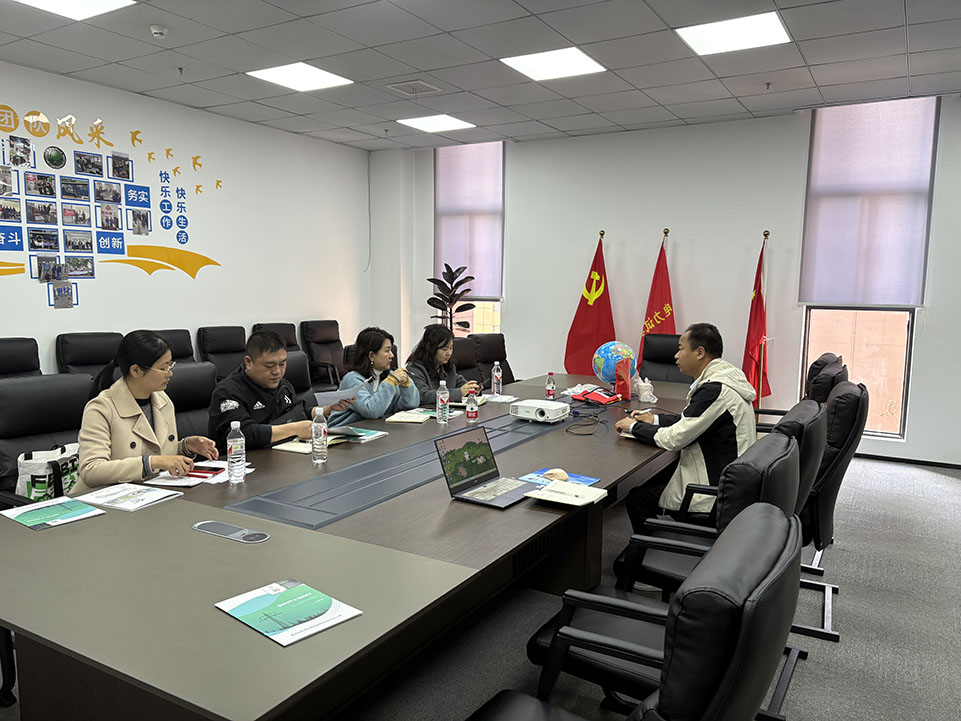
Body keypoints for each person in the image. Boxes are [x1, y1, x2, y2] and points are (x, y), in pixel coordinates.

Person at [614, 323, 757, 532]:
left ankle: (650, 550)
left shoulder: (714, 390)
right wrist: (653, 420)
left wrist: (633, 427)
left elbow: (674, 439)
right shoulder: (726, 377)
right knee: (658, 477)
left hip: (715, 493)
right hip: (730, 481)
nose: (676, 356)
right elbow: (693, 420)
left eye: (681, 349)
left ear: (700, 353)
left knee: (638, 498)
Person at [74, 330, 219, 495]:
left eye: (170, 365)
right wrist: (152, 462)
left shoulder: (163, 400)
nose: (170, 373)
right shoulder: (101, 408)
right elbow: (91, 471)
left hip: (151, 493)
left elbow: (157, 451)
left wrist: (186, 447)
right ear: (136, 370)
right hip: (105, 498)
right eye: (163, 368)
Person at [207, 331, 352, 451]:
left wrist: (326, 410)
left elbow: (295, 414)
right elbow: (245, 434)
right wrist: (294, 429)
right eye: (269, 365)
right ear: (249, 362)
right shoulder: (227, 392)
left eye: (282, 364)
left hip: (281, 456)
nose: (277, 371)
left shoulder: (283, 385)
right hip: (242, 463)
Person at [327, 327, 419, 426]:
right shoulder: (352, 379)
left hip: (376, 429)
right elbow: (371, 411)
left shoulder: (388, 377)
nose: (392, 355)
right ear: (371, 356)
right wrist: (390, 382)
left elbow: (410, 406)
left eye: (391, 350)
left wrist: (407, 385)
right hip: (344, 430)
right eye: (387, 350)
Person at [406, 325, 481, 406]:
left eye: (451, 348)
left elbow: (460, 383)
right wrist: (460, 393)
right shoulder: (414, 368)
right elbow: (422, 396)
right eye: (444, 349)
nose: (449, 353)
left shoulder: (447, 366)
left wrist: (472, 388)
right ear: (431, 349)